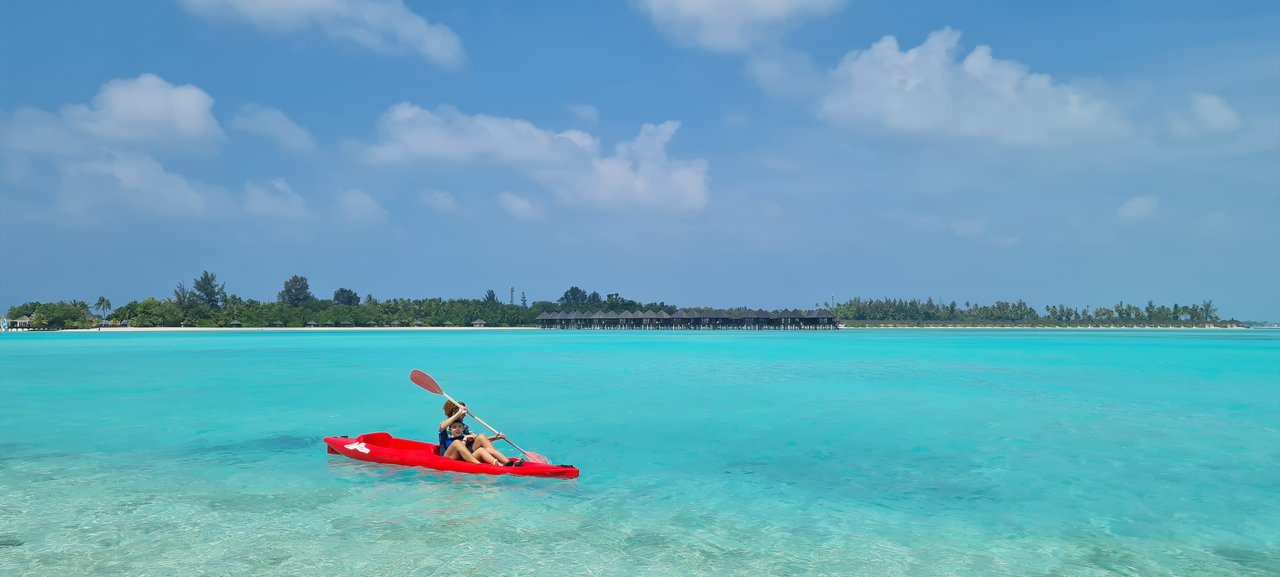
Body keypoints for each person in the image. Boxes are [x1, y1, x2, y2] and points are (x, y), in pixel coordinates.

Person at [437, 400, 518, 466]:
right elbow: (442, 427)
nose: (465, 415)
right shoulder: (446, 425)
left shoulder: (463, 427)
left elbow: (476, 438)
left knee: (482, 436)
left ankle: (503, 462)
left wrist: (496, 438)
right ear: (455, 413)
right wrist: (458, 413)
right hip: (450, 455)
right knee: (457, 443)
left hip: (465, 455)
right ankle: (478, 465)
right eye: (463, 414)